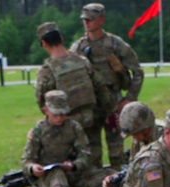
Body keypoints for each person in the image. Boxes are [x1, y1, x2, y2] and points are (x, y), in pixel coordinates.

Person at [69, 3, 144, 170]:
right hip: (90, 106)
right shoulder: (78, 47)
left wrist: (129, 98)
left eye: (91, 19)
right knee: (92, 152)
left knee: (116, 152)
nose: (87, 23)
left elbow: (137, 72)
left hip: (113, 105)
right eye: (84, 19)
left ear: (101, 20)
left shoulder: (115, 44)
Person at [34, 21, 114, 168]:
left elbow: (42, 102)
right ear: (61, 38)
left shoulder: (46, 71)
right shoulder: (82, 61)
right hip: (92, 119)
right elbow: (101, 88)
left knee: (73, 166)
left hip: (66, 126)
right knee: (94, 160)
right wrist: (107, 111)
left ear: (44, 43)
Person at [22, 90, 94, 187]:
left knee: (105, 177)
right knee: (58, 177)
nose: (61, 118)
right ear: (46, 110)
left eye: (63, 114)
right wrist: (33, 168)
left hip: (73, 170)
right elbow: (27, 160)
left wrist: (74, 165)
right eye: (56, 115)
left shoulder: (74, 128)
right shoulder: (39, 130)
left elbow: (86, 154)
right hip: (48, 175)